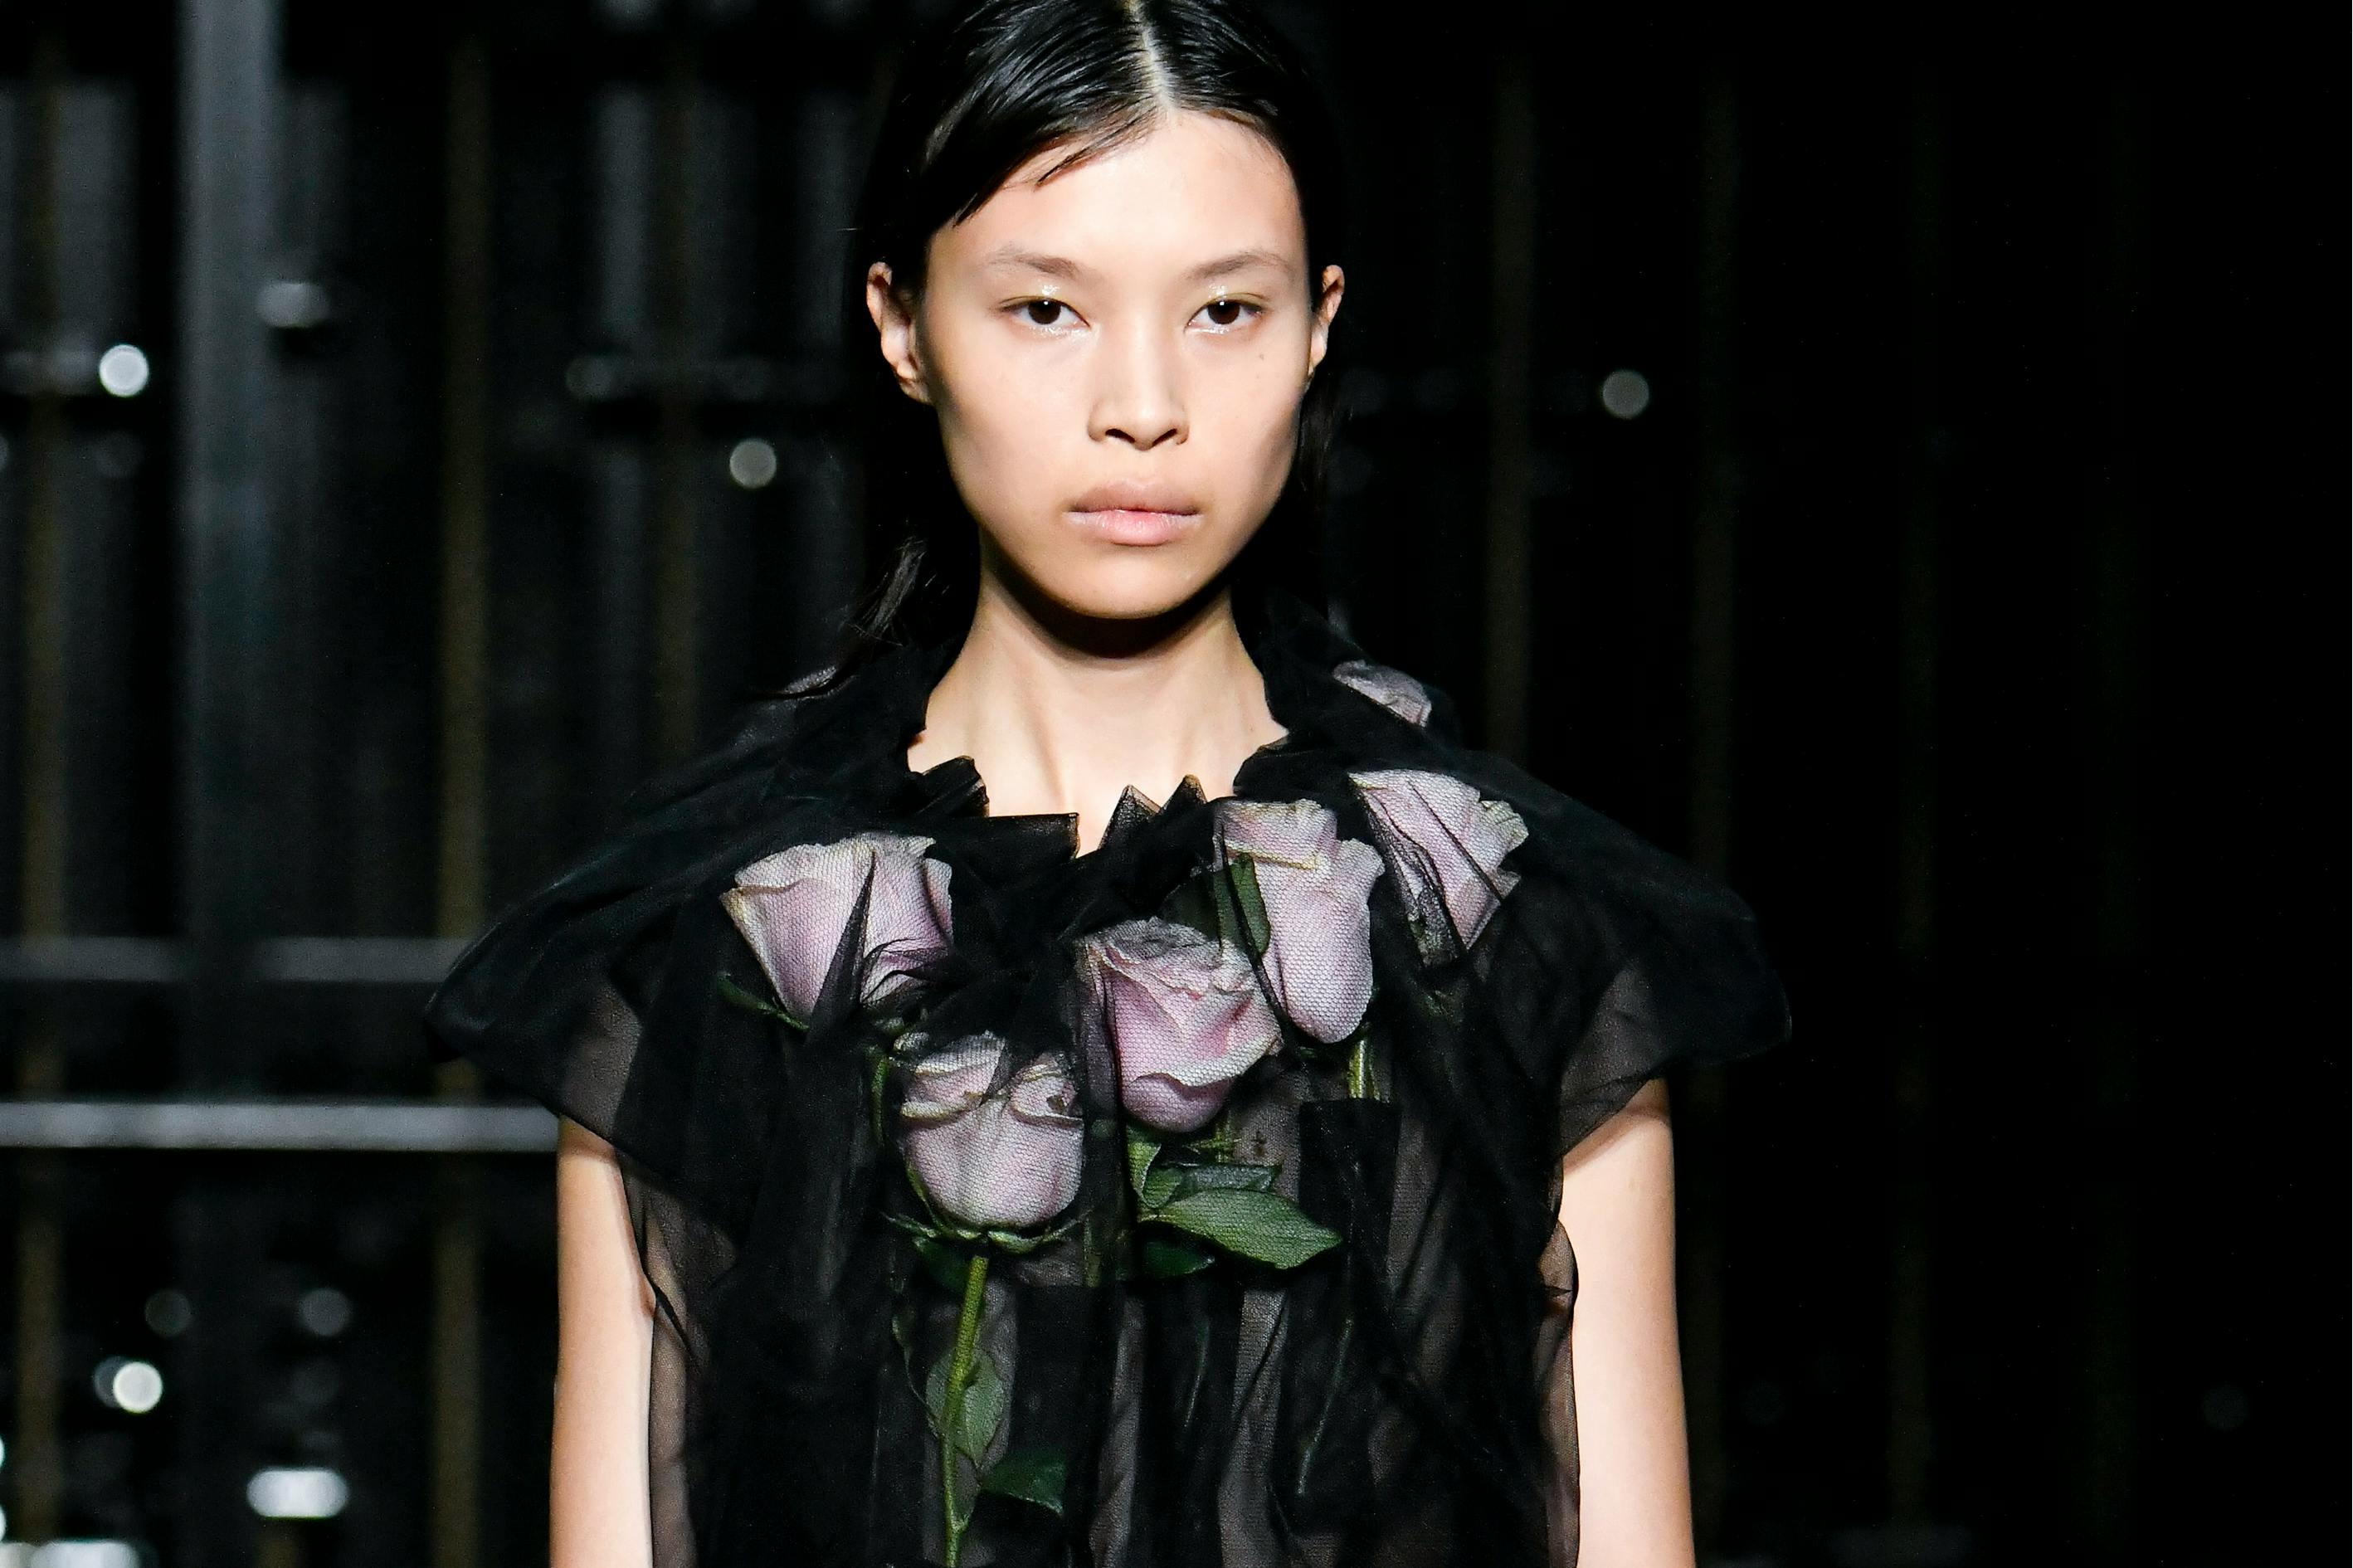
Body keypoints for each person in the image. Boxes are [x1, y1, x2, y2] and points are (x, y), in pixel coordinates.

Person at [421, 2, 1790, 1565]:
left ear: (1320, 326)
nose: (1143, 402)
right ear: (902, 324)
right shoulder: (708, 947)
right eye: (1047, 308)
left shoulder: (1515, 934)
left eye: (1225, 310)